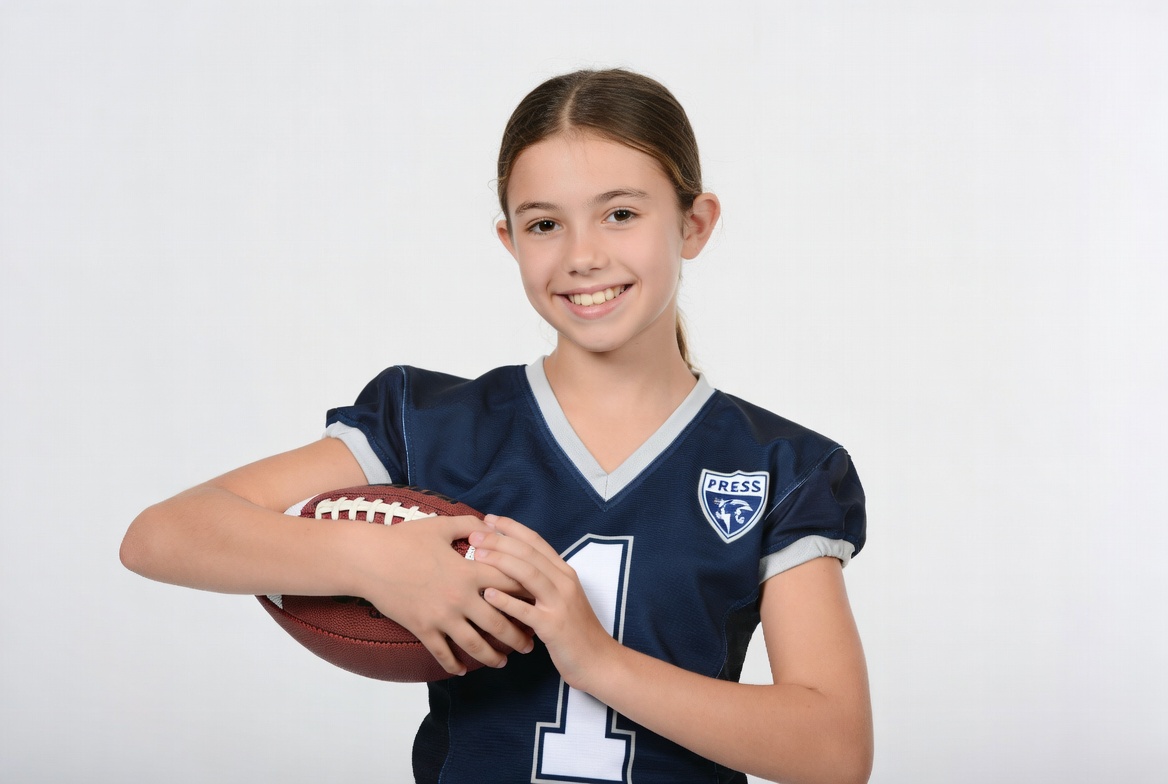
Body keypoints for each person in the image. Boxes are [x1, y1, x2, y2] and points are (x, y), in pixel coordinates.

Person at [122, 68, 872, 784]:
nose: (583, 255)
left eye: (620, 213)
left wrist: (596, 659)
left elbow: (834, 748)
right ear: (510, 241)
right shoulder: (431, 425)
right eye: (545, 223)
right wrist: (368, 560)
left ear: (694, 223)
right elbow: (163, 534)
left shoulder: (782, 465)